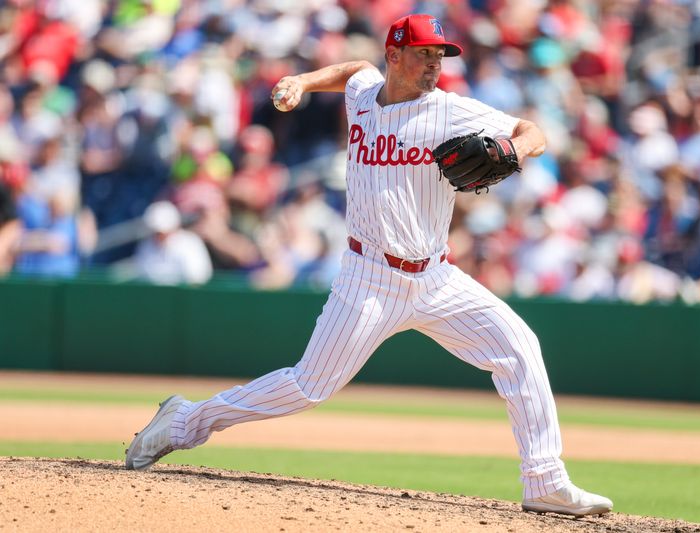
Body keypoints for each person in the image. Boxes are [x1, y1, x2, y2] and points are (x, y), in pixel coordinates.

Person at [125, 14, 613, 517]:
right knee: (307, 387)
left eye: (439, 55)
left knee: (519, 346)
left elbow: (534, 132)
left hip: (436, 278)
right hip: (369, 278)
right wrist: (303, 81)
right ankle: (185, 421)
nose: (433, 64)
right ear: (395, 55)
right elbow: (354, 69)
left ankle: (545, 481)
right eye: (424, 53)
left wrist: (512, 148)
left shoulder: (449, 110)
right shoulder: (364, 92)